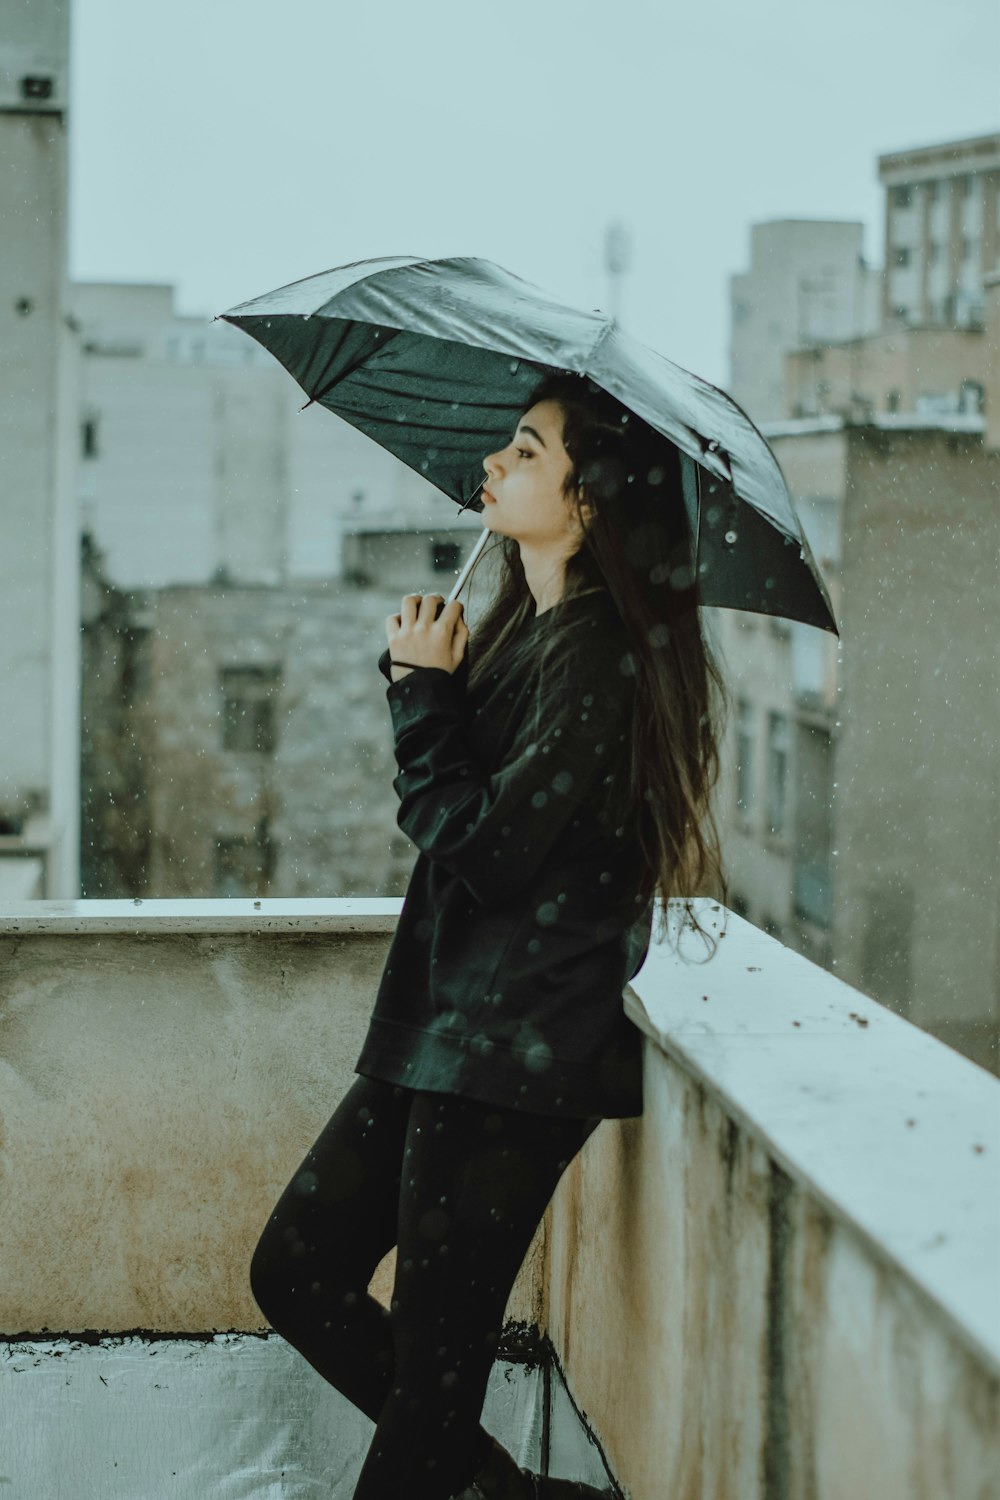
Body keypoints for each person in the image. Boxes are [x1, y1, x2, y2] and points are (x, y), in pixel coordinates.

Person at [249, 373, 731, 1500]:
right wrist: (433, 683)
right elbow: (475, 810)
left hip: (515, 1048)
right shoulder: (535, 630)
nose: (495, 466)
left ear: (592, 499)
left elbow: (486, 847)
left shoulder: (602, 659)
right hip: (448, 1026)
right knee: (299, 1269)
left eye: (524, 451)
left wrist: (422, 701)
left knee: (430, 1378)